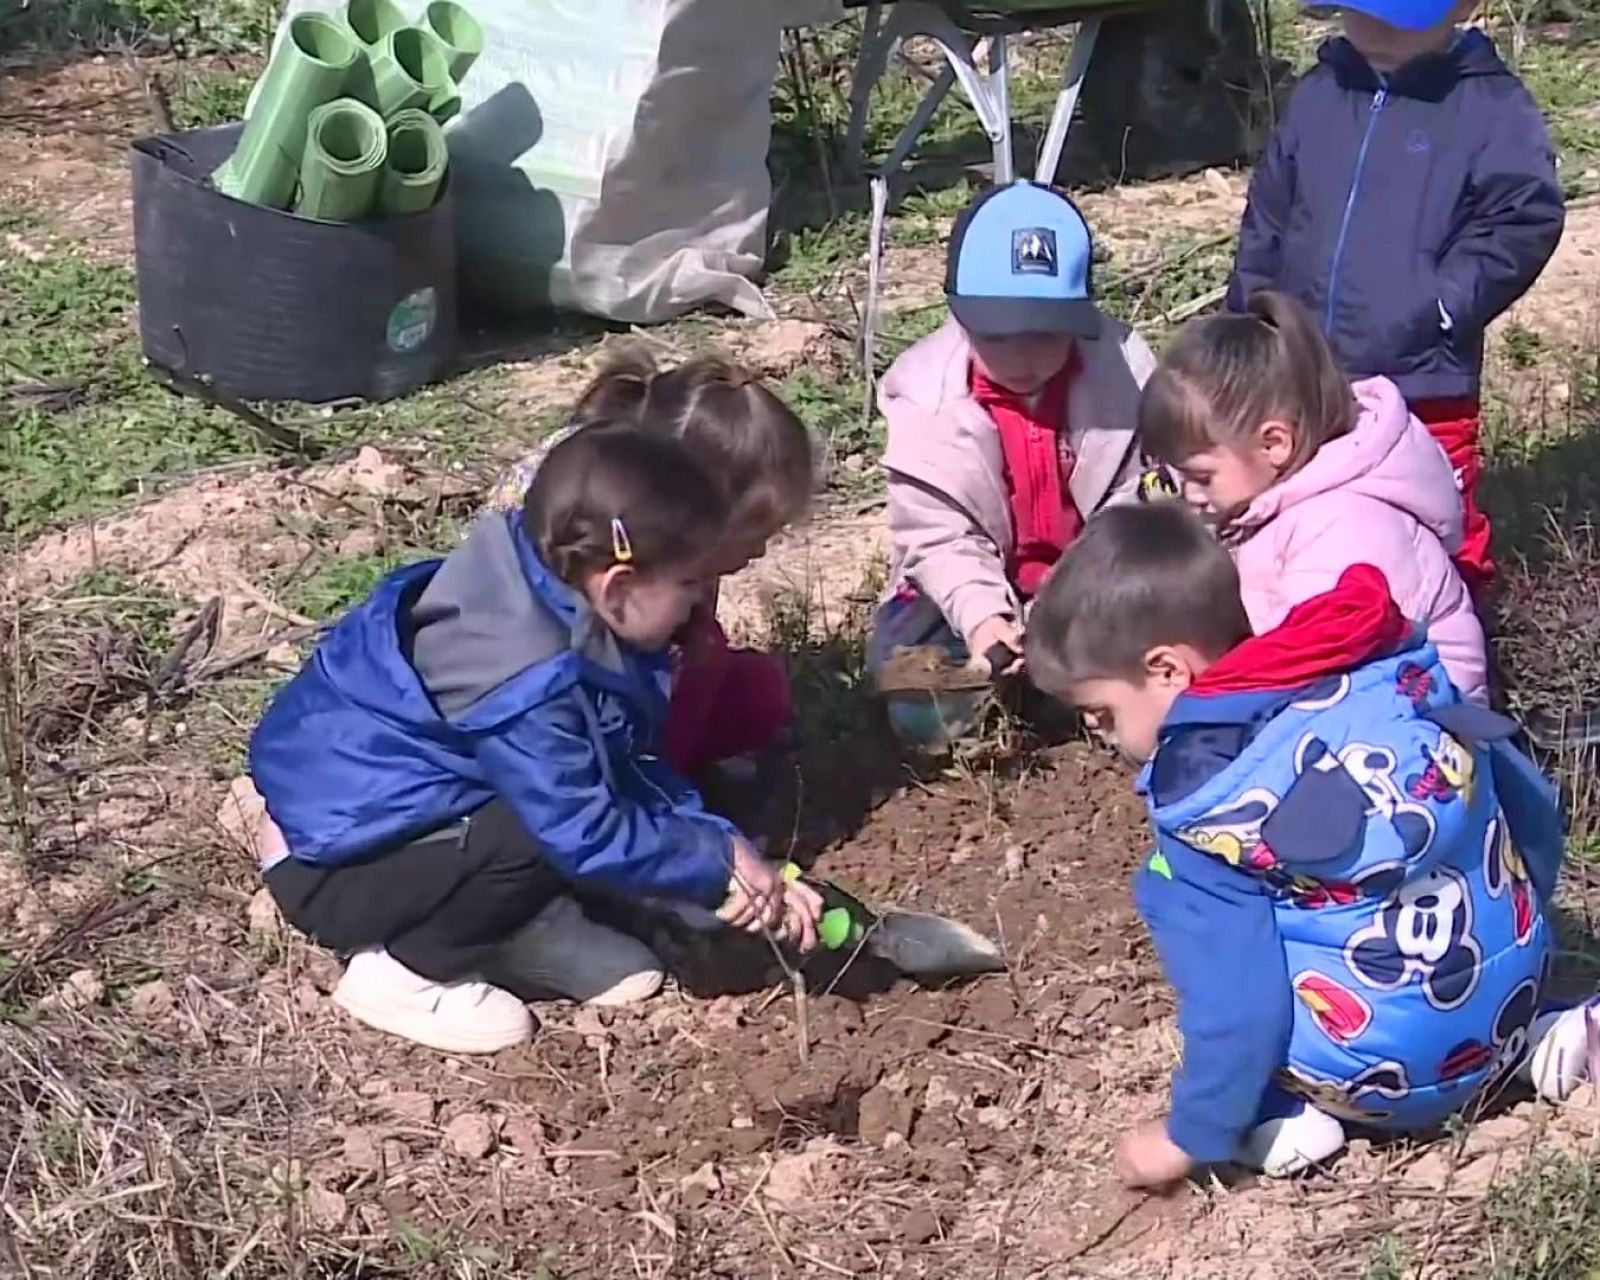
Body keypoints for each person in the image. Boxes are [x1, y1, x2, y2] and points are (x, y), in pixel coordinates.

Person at [1025, 502, 1589, 1188]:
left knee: (1242, 945)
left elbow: (1238, 1000)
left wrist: (1187, 1137)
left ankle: (1284, 1114)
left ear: (1168, 668)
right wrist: (1532, 922)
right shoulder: (1389, 677)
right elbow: (1529, 805)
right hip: (1513, 993)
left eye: (1102, 715)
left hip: (1378, 1080)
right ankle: (1541, 1042)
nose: (1105, 739)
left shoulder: (1207, 810)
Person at [246, 424, 823, 1055]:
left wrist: (720, 846)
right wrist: (708, 870)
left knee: (553, 795)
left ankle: (515, 925)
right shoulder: (525, 669)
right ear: (620, 587)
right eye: (689, 585)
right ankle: (408, 972)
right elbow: (583, 827)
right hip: (334, 861)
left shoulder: (563, 593)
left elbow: (630, 754)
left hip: (415, 816)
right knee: (544, 823)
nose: (695, 606)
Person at [1228, 0, 1565, 600]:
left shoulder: (1487, 106)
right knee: (1303, 529)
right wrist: (1251, 321)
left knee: (1433, 535)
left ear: (1461, 9)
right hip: (1302, 374)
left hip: (1422, 384)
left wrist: (1441, 307)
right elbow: (1269, 217)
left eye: (1394, 17)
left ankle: (1451, 667)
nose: (1370, 29)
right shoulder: (1321, 93)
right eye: (1359, 12)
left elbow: (1523, 218)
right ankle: (1329, 672)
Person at [872, 180, 1157, 748]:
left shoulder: (1127, 375)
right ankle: (1013, 685)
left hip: (1089, 584)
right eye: (1002, 337)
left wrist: (1076, 599)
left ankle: (1071, 690)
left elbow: (1137, 500)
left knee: (1148, 682)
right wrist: (985, 621)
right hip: (959, 591)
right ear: (962, 318)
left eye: (1047, 335)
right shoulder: (923, 396)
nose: (1025, 357)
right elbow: (939, 538)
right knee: (925, 718)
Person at [1140, 290, 1490, 704]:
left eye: (1201, 476)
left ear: (1274, 444)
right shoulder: (1267, 502)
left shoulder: (1345, 531)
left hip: (1418, 743)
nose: (1190, 494)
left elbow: (1317, 671)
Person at [483, 350, 817, 781]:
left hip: (614, 663)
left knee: (755, 690)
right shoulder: (596, 512)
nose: (761, 553)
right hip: (539, 694)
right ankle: (652, 789)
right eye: (754, 537)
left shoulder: (665, 506)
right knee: (702, 661)